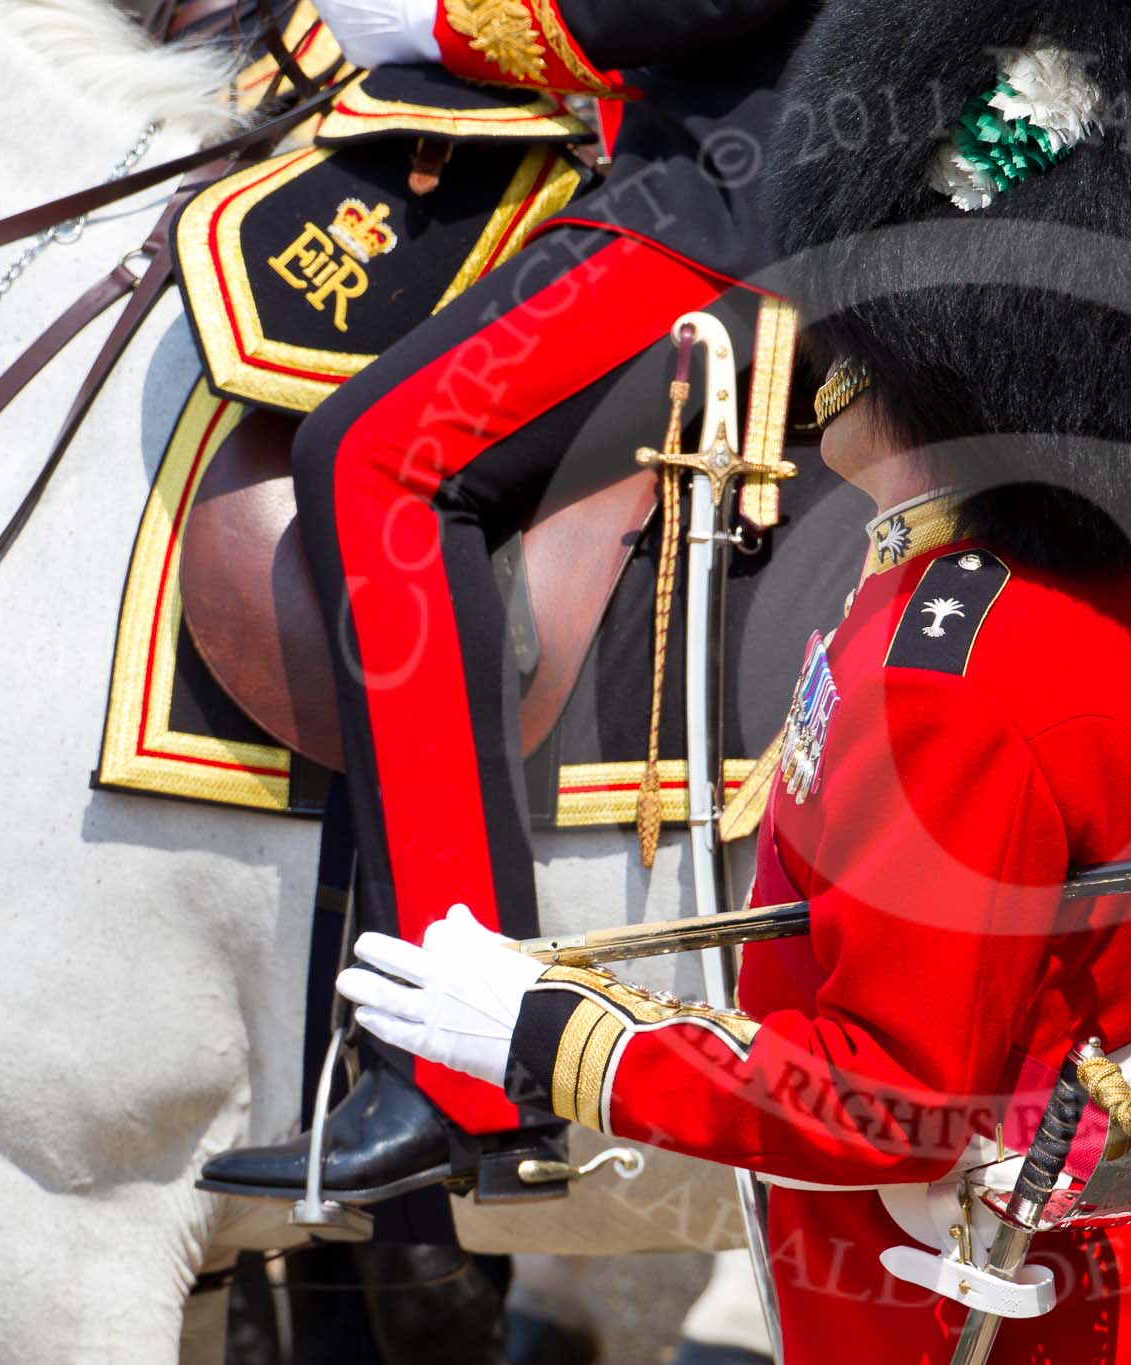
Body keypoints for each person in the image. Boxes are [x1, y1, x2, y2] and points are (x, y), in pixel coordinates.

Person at [335, 0, 1131, 1358]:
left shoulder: (946, 673)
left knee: (372, 456)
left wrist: (559, 1032)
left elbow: (890, 1096)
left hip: (978, 1319)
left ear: (910, 343)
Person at [199, 0, 816, 1201]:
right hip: (724, 163)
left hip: (743, 196)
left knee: (376, 457)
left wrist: (457, 21)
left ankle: (463, 1061)